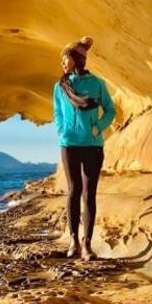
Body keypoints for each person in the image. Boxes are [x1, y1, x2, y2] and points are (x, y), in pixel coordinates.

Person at [52, 36, 115, 260]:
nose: (62, 63)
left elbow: (110, 110)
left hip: (92, 145)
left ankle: (87, 245)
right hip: (69, 145)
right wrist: (62, 130)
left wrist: (98, 127)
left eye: (65, 58)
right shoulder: (60, 87)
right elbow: (58, 112)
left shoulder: (97, 84)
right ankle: (73, 241)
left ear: (77, 59)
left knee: (89, 194)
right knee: (73, 191)